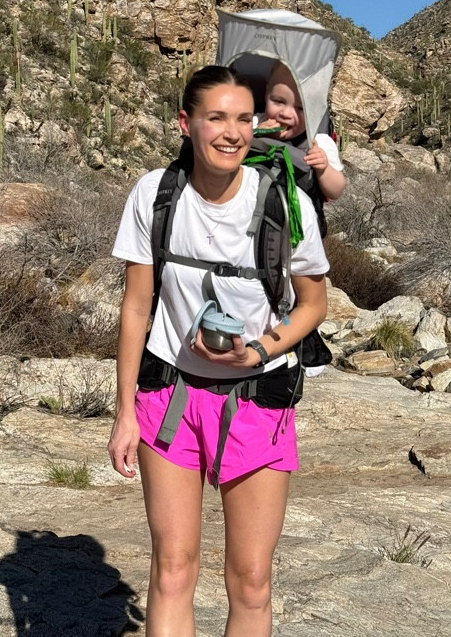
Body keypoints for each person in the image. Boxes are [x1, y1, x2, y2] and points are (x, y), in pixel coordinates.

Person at [107, 65, 329, 637]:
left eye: (243, 119)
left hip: (258, 398)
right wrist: (124, 412)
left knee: (251, 579)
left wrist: (259, 350)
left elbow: (313, 304)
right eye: (217, 118)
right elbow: (136, 307)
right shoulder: (155, 194)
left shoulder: (284, 202)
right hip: (170, 396)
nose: (232, 133)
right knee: (173, 569)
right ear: (186, 123)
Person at [259, 61, 346, 201]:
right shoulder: (254, 122)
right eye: (279, 101)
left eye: (300, 108)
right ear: (266, 93)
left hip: (290, 209)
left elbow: (336, 191)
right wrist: (256, 133)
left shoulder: (318, 142)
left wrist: (324, 168)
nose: (286, 114)